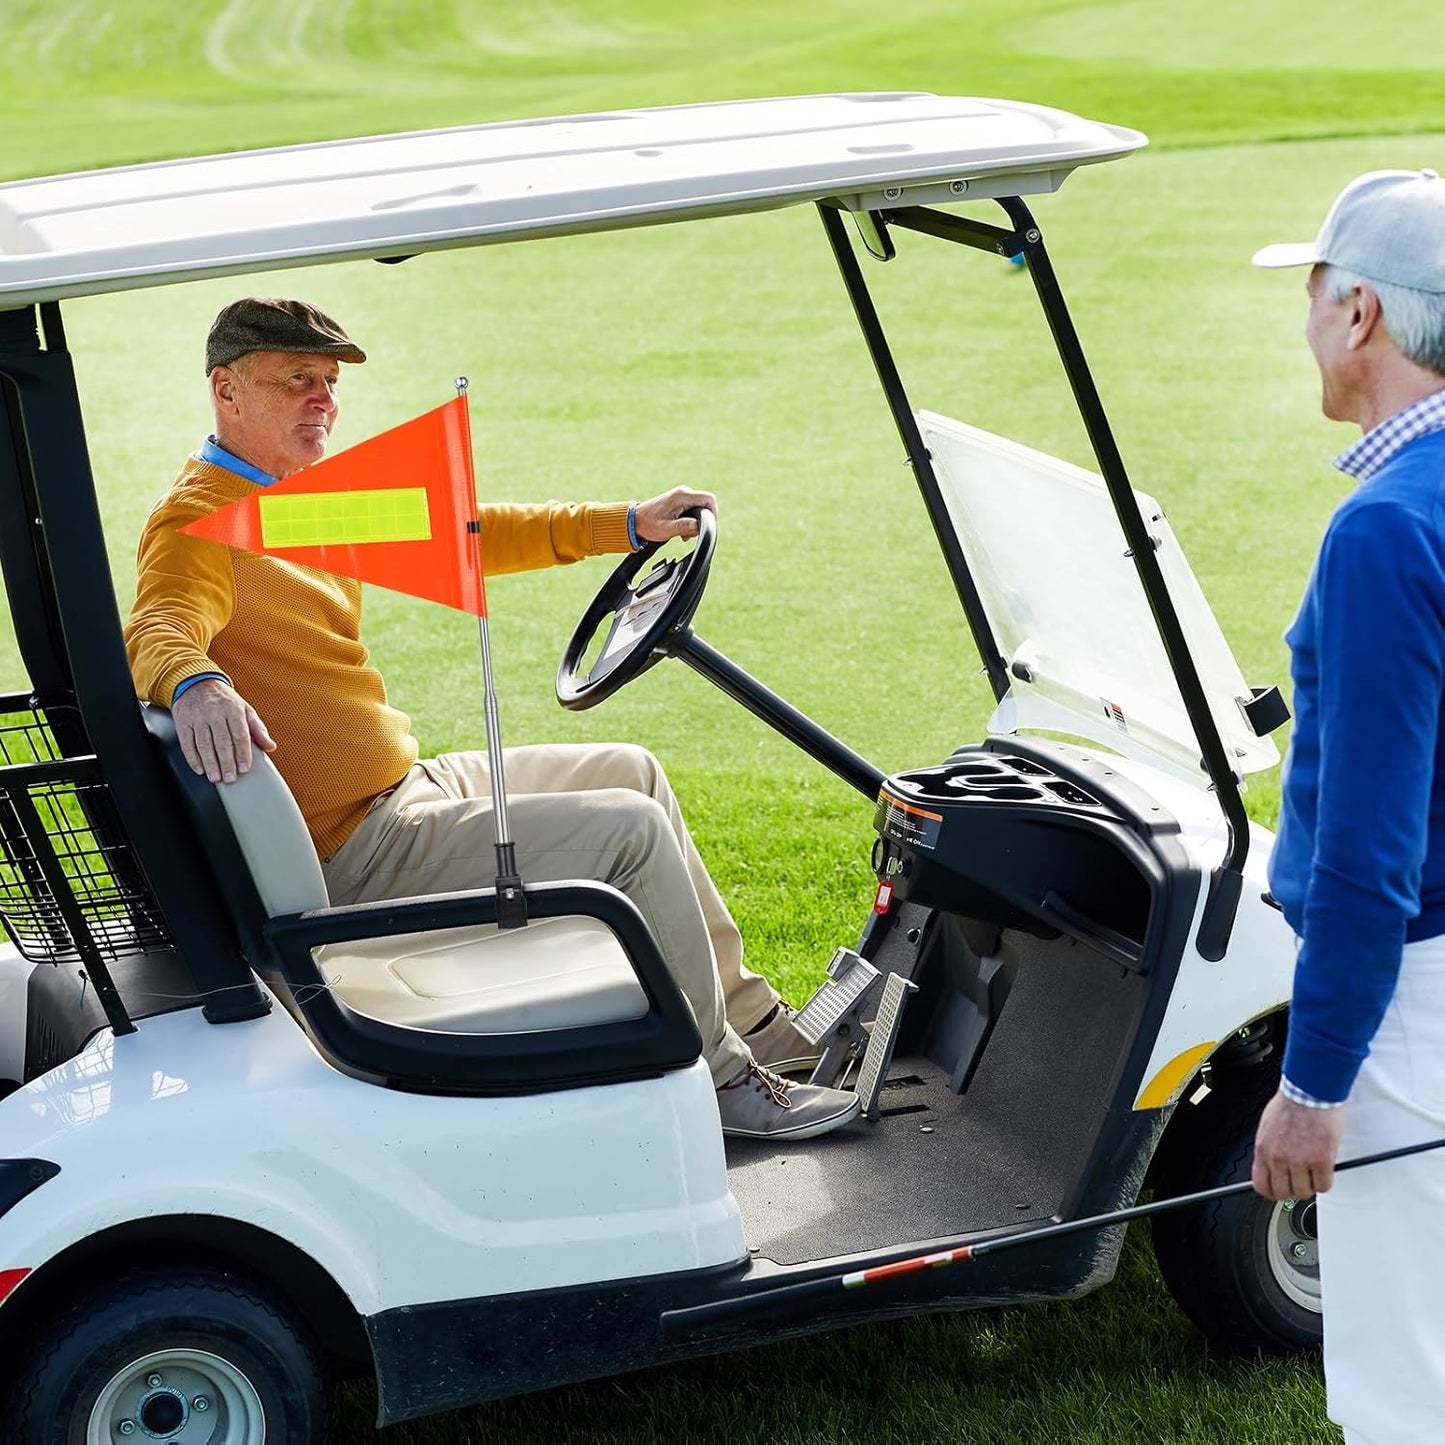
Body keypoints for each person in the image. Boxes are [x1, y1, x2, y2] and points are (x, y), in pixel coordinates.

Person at [125, 296, 858, 1141]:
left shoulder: (287, 499)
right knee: (629, 831)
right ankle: (723, 1082)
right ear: (227, 390)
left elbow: (467, 532)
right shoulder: (199, 523)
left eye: (328, 381)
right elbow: (159, 622)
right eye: (298, 380)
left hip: (402, 788)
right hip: (359, 847)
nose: (323, 398)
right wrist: (195, 682)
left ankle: (763, 1029)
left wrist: (623, 525)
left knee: (632, 770)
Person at [1250, 169, 1445, 1441]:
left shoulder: (1382, 531)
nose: (1304, 320)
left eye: (1313, 295)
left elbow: (1368, 858)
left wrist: (1312, 1080)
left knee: (1404, 1383)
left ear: (1359, 311)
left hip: (1408, 1009)